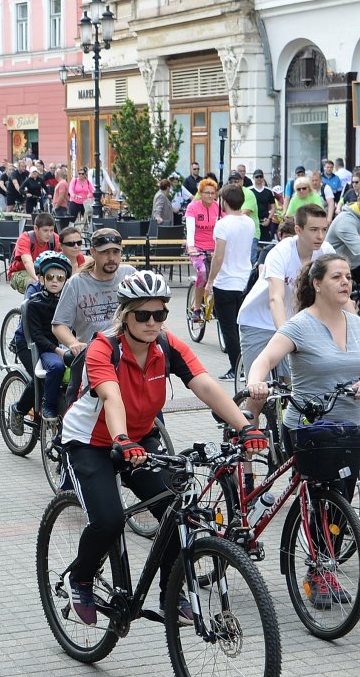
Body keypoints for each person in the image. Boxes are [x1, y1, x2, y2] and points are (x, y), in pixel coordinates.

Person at [62, 270, 266, 624]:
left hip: (139, 439)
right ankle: (79, 577)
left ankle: (169, 592)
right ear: (124, 315)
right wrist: (122, 439)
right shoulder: (103, 348)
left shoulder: (167, 346)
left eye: (159, 314)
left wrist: (245, 426)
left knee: (176, 512)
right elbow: (111, 397)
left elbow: (204, 385)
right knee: (108, 520)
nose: (152, 322)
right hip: (91, 441)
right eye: (143, 315)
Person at [244, 254, 360, 437]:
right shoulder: (299, 325)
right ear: (317, 284)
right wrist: (255, 383)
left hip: (350, 429)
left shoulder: (358, 325)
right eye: (336, 277)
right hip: (306, 430)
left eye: (348, 277)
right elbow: (265, 359)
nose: (345, 282)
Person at [236, 202, 332, 377]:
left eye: (324, 229)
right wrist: (285, 335)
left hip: (294, 321)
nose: (320, 236)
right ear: (298, 230)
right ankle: (250, 404)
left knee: (293, 384)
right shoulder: (281, 252)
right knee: (259, 389)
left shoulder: (326, 252)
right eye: (313, 230)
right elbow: (276, 297)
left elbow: (337, 294)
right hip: (258, 321)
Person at [51, 227, 139, 362]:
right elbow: (59, 325)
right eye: (104, 252)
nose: (111, 258)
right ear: (93, 252)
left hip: (129, 351)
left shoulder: (129, 274)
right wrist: (73, 343)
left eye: (116, 252)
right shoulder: (76, 283)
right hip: (94, 355)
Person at [206, 186, 258, 379]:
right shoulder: (249, 223)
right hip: (244, 281)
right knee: (241, 327)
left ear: (224, 202)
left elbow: (218, 256)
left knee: (228, 329)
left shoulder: (223, 224)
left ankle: (237, 368)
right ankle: (247, 364)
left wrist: (210, 280)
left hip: (226, 282)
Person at [20, 250, 73, 419]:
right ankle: (48, 405)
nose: (55, 281)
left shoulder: (70, 301)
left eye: (60, 278)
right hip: (47, 349)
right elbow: (37, 335)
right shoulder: (35, 304)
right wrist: (58, 351)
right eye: (50, 277)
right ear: (41, 279)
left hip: (68, 346)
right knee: (56, 367)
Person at [183, 178, 222, 316]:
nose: (210, 196)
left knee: (221, 274)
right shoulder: (193, 207)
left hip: (215, 248)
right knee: (203, 271)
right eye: (207, 193)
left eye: (212, 193)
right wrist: (192, 247)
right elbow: (190, 229)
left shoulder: (218, 207)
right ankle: (197, 308)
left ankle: (216, 304)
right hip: (198, 247)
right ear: (200, 193)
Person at [8, 213, 60, 294]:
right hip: (21, 272)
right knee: (34, 284)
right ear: (36, 228)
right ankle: (28, 306)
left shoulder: (55, 239)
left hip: (44, 272)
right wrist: (37, 280)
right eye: (45, 230)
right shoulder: (25, 238)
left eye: (51, 230)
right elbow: (27, 262)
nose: (49, 234)